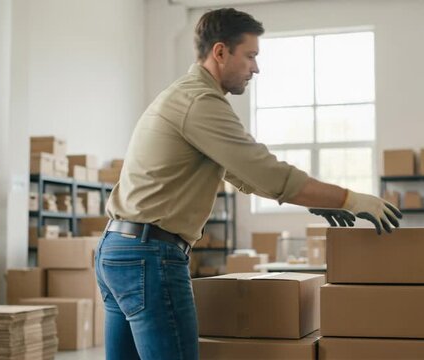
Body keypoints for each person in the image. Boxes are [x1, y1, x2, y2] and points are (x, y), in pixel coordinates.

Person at [95, 8, 402, 360]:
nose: (256, 68)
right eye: (251, 56)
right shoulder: (201, 102)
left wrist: (314, 199)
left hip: (118, 249)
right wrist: (349, 198)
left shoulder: (183, 96)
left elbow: (240, 173)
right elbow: (264, 172)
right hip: (151, 256)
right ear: (221, 52)